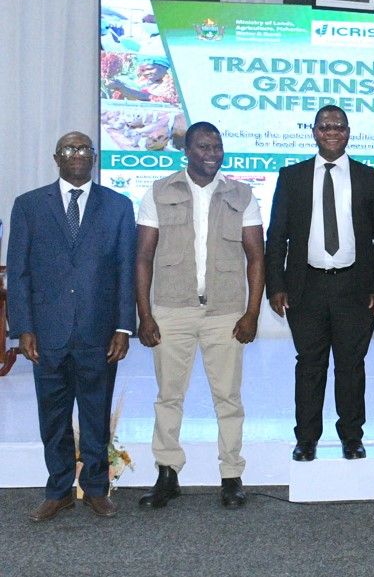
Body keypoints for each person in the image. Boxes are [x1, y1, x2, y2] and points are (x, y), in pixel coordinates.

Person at [133, 122, 265, 510]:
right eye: (204, 146)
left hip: (225, 312)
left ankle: (231, 475)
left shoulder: (242, 195)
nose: (212, 152)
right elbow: (142, 257)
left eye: (218, 146)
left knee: (228, 397)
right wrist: (145, 314)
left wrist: (251, 313)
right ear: (186, 151)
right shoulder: (159, 191)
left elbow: (256, 257)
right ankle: (167, 473)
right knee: (169, 396)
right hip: (171, 310)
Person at [6, 131, 136, 521]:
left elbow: (126, 269)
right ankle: (58, 490)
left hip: (99, 332)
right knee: (54, 417)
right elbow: (19, 271)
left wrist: (123, 327)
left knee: (96, 414)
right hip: (46, 334)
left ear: (94, 157)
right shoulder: (28, 206)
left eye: (84, 149)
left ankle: (96, 488)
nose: (77, 155)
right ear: (56, 157)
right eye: (69, 149)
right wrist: (24, 327)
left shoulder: (118, 206)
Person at [265, 105, 374, 462]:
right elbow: (277, 237)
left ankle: (352, 437)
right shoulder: (292, 177)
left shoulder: (370, 178)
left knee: (351, 367)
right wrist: (275, 286)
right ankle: (306, 439)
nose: (332, 132)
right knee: (309, 366)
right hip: (306, 288)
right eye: (325, 127)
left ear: (348, 131)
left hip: (356, 288)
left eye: (338, 126)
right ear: (314, 131)